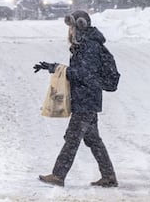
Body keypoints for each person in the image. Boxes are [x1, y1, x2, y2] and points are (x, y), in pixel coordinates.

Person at [33, 10, 117, 188]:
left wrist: (57, 69)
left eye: (71, 27)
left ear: (78, 26)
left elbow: (85, 74)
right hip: (87, 98)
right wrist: (52, 67)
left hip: (86, 99)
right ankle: (109, 176)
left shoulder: (89, 47)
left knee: (72, 138)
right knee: (93, 139)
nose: (69, 31)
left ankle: (58, 175)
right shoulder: (85, 44)